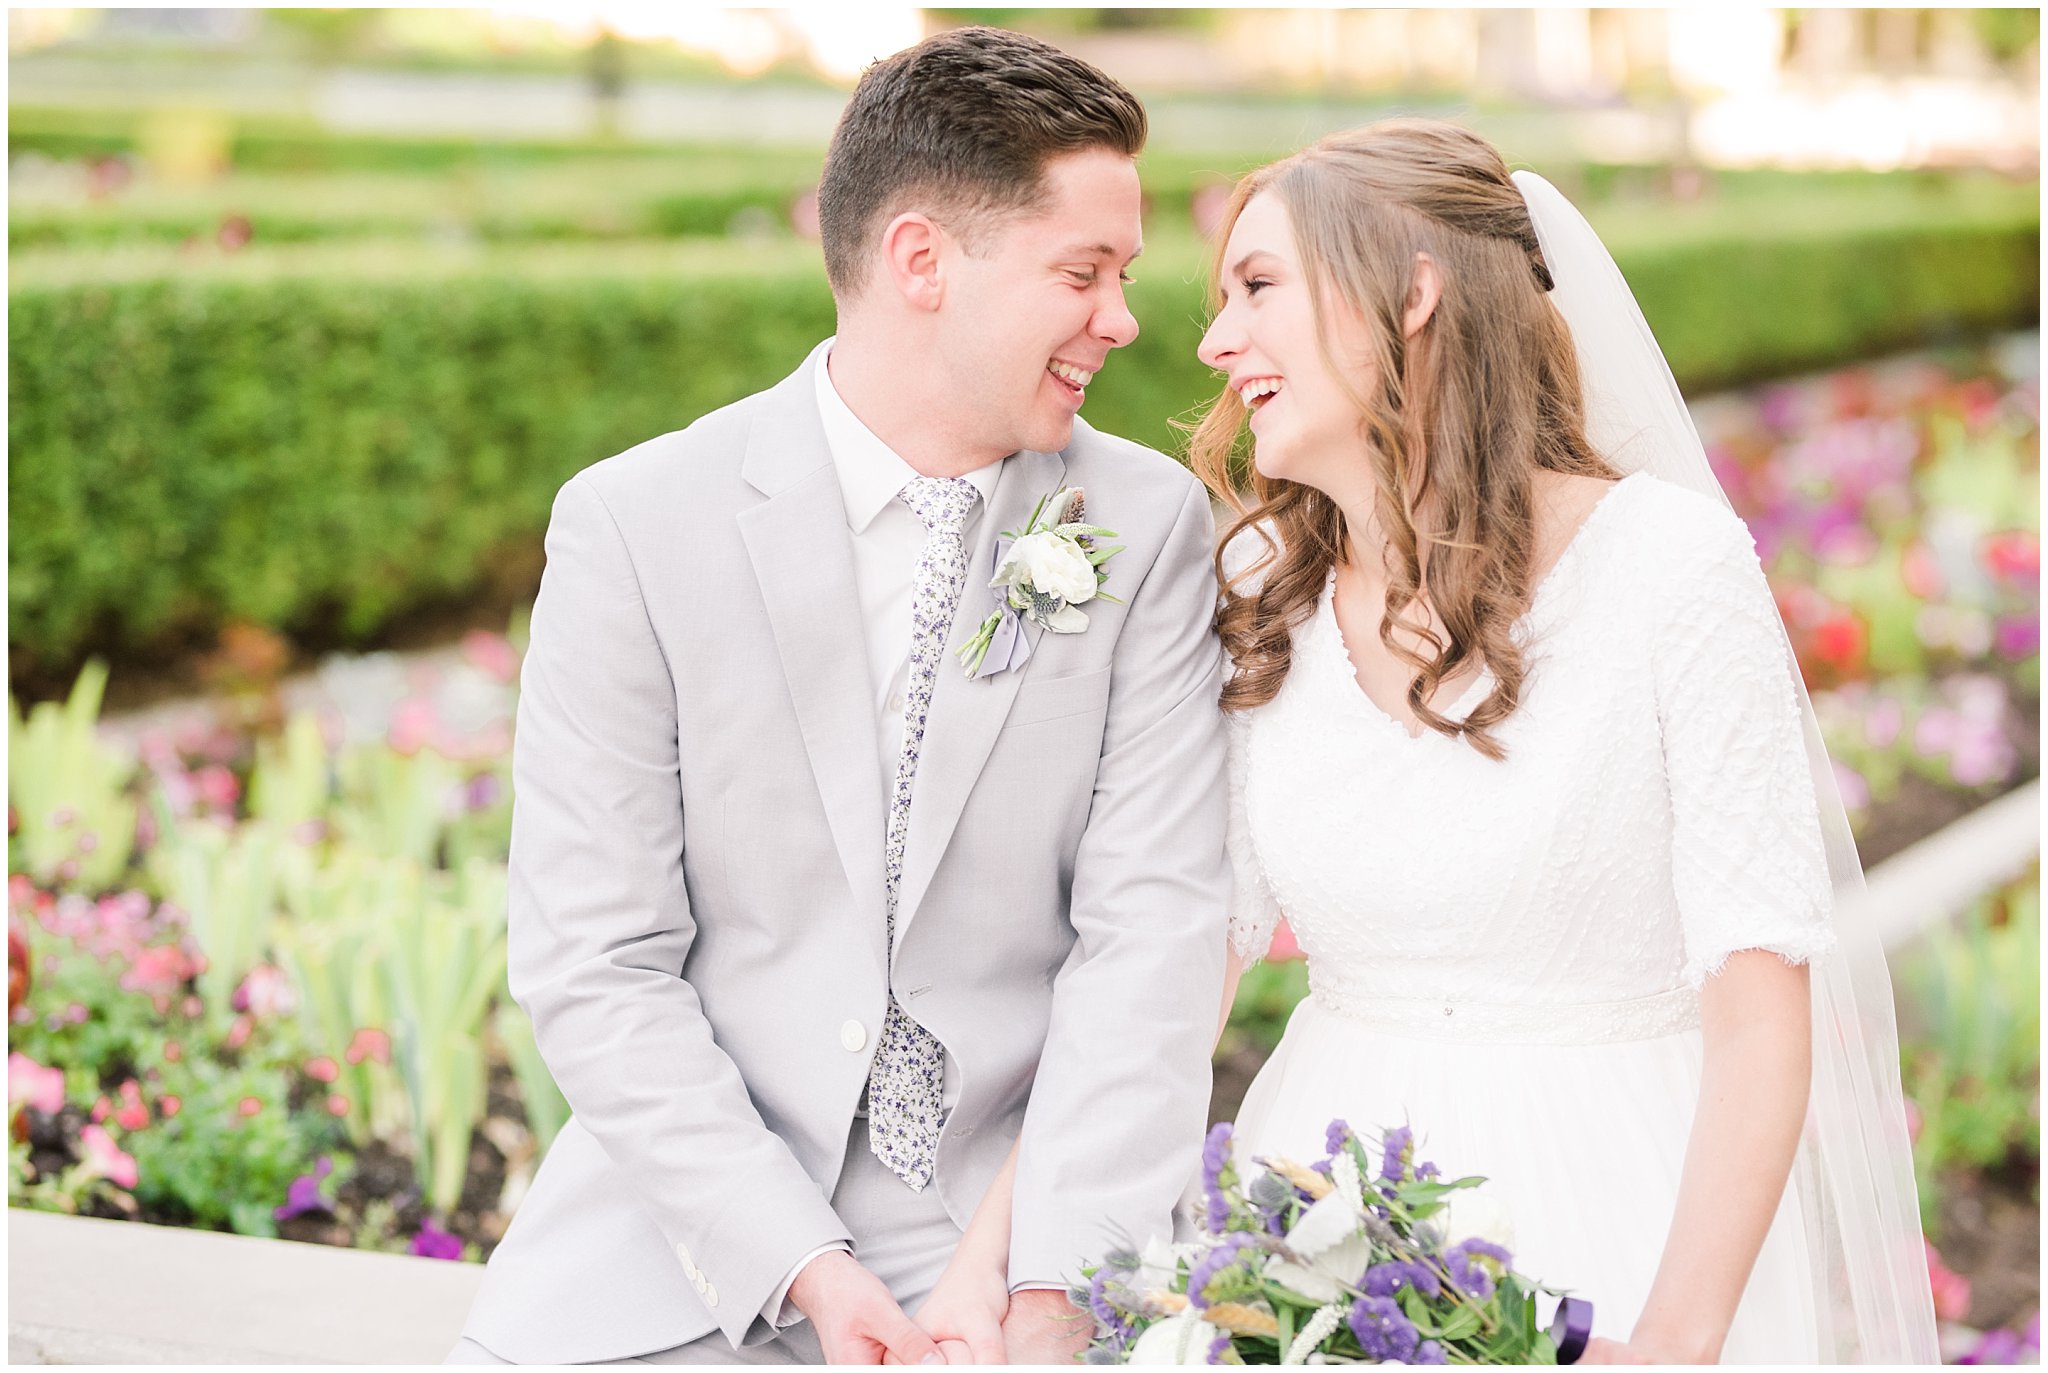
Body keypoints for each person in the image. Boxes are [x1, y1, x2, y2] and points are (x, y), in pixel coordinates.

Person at [448, 27, 1229, 1365]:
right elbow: (597, 955)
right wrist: (802, 1263)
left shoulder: (1147, 524)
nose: (1124, 317)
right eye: (1084, 273)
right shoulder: (636, 526)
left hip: (1012, 1223)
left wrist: (1052, 1291)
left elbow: (1151, 933)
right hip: (687, 1234)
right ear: (920, 259)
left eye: (1125, 276)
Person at [1184, 119, 1937, 1363]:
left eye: (1256, 287)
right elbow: (1183, 962)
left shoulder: (1665, 568)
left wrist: (1673, 1336)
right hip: (1312, 1218)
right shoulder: (1258, 581)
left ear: (1413, 292)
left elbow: (1759, 1010)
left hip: (1614, 1210)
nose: (1216, 343)